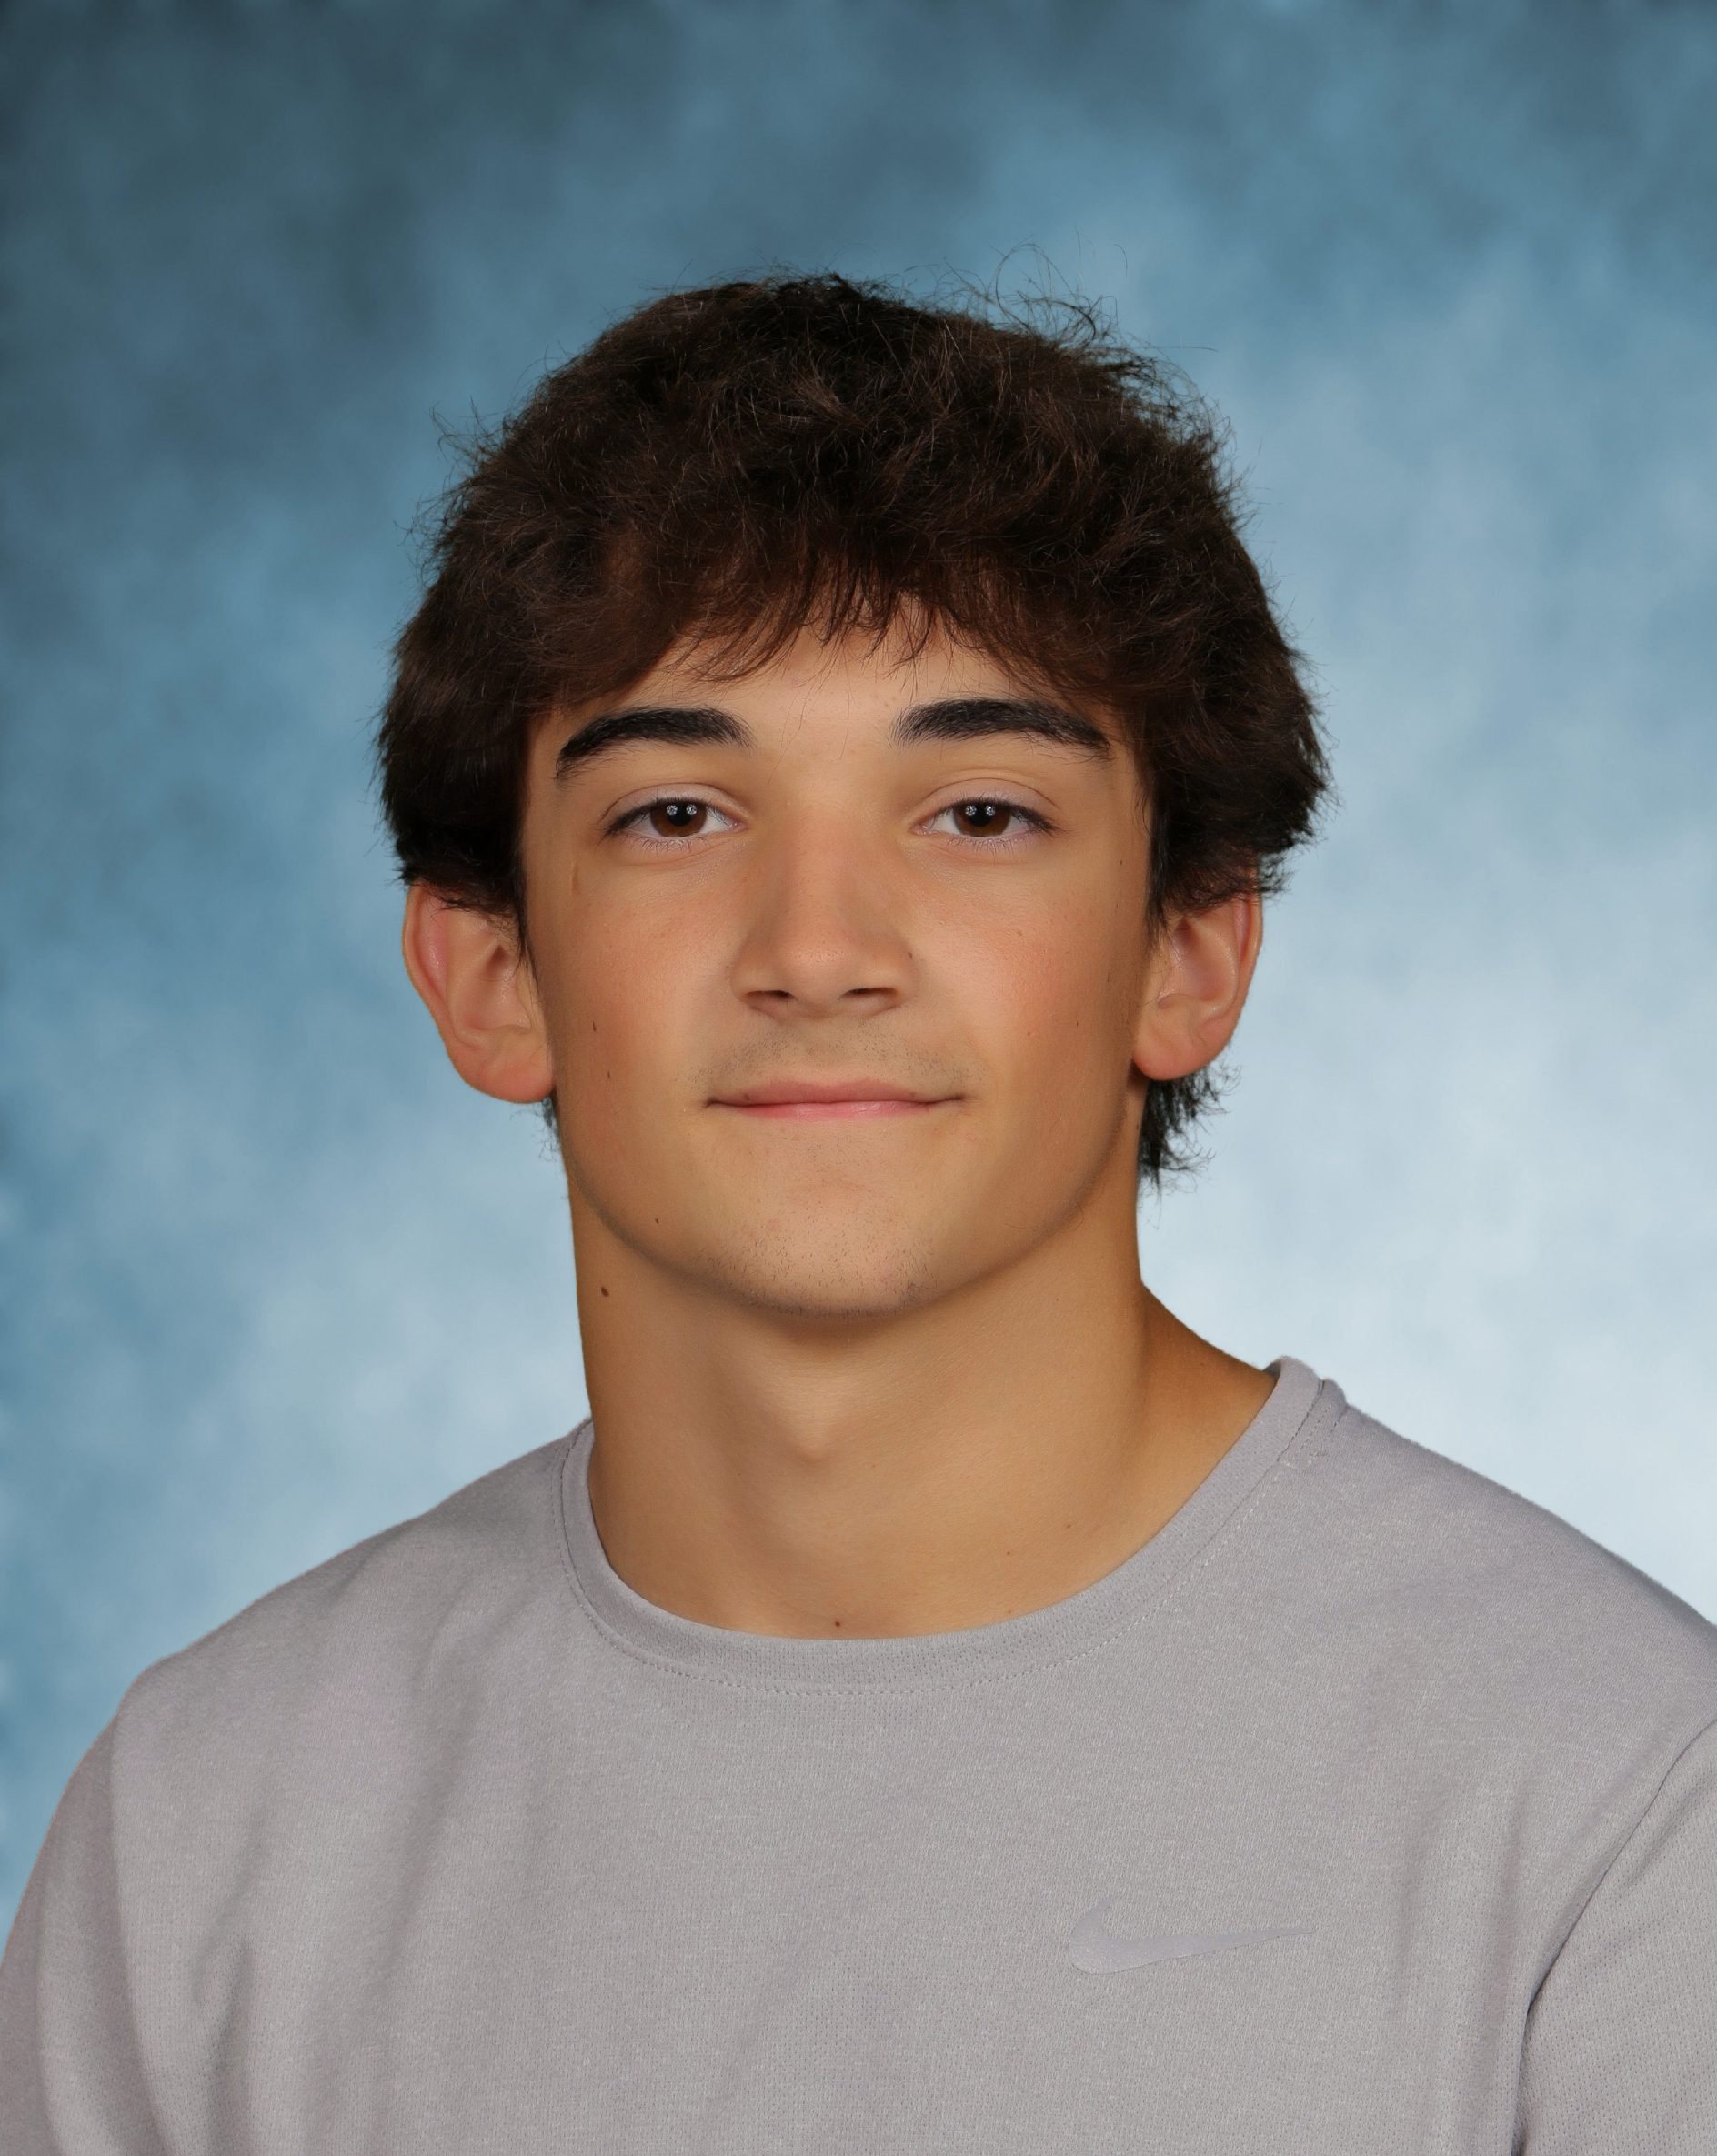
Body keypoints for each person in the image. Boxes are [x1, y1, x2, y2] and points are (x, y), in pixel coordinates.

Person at [3, 274, 1713, 2154]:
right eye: (677, 814)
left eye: (977, 814)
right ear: (489, 971)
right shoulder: (204, 1836)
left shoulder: (1621, 1809)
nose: (818, 953)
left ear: (1189, 953)